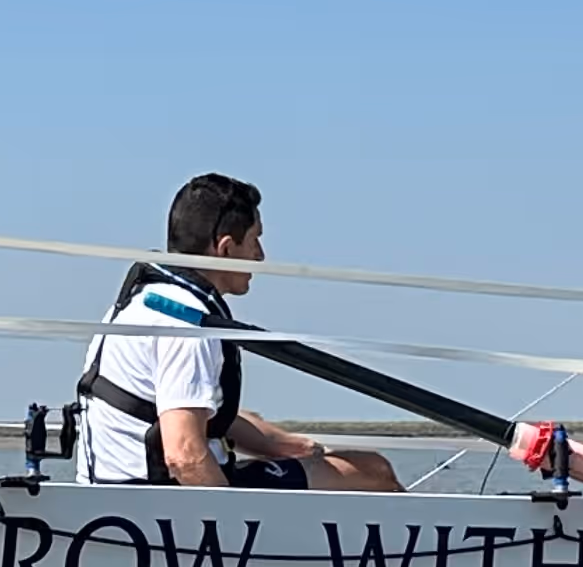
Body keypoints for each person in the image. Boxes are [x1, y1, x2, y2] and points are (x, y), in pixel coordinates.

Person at [76, 174, 402, 492]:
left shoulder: (147, 303)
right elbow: (184, 456)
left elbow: (191, 409)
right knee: (373, 471)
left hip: (115, 490)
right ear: (227, 248)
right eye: (255, 239)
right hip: (162, 501)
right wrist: (234, 526)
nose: (260, 255)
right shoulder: (189, 325)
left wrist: (281, 444)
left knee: (332, 464)